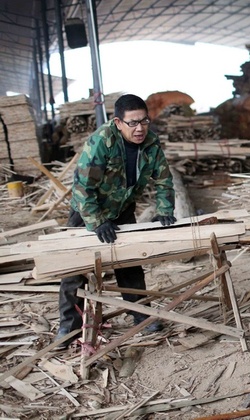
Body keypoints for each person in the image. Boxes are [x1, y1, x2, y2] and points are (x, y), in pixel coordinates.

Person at [55, 94, 177, 348]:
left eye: (144, 121)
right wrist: (98, 221)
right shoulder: (102, 142)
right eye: (132, 123)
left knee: (130, 264)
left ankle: (142, 317)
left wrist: (165, 209)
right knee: (75, 268)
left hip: (122, 208)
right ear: (118, 122)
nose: (140, 128)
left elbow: (164, 180)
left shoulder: (151, 143)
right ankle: (68, 327)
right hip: (88, 211)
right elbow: (83, 188)